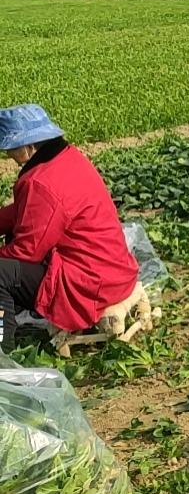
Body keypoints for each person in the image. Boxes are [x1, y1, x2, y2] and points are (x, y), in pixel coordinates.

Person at [0, 105, 138, 345]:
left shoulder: (39, 182)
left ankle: (4, 346)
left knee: (2, 273)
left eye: (11, 148)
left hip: (88, 285)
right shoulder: (67, 158)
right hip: (114, 271)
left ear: (28, 146)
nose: (8, 154)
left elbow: (27, 251)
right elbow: (28, 211)